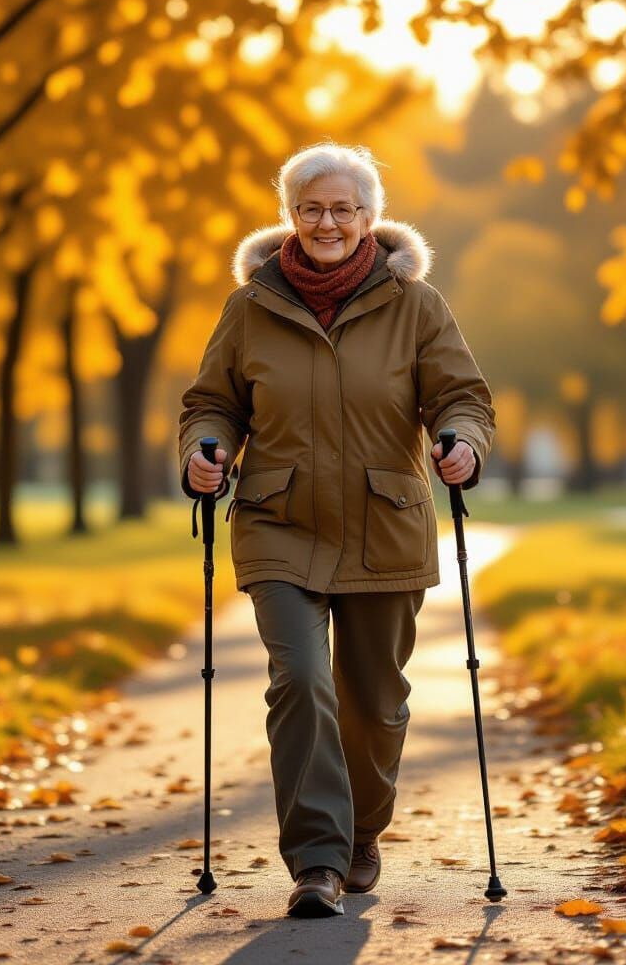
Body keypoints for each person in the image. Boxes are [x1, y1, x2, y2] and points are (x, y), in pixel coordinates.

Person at [178, 142, 495, 918]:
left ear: (369, 217)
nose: (327, 223)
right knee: (301, 682)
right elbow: (213, 403)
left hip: (386, 526)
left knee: (376, 705)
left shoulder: (416, 305)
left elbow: (462, 396)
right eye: (311, 208)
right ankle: (317, 861)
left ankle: (360, 835)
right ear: (290, 214)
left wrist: (461, 442)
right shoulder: (251, 307)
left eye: (343, 209)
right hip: (279, 525)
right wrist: (204, 450)